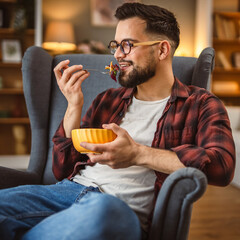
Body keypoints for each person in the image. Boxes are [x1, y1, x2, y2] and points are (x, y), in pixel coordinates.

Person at [0, 2, 235, 240]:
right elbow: (62, 169)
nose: (117, 55)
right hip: (67, 192)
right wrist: (73, 105)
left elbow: (222, 167)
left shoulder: (201, 104)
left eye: (127, 45)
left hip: (116, 208)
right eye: (116, 45)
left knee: (104, 212)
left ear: (162, 50)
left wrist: (137, 154)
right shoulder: (108, 100)